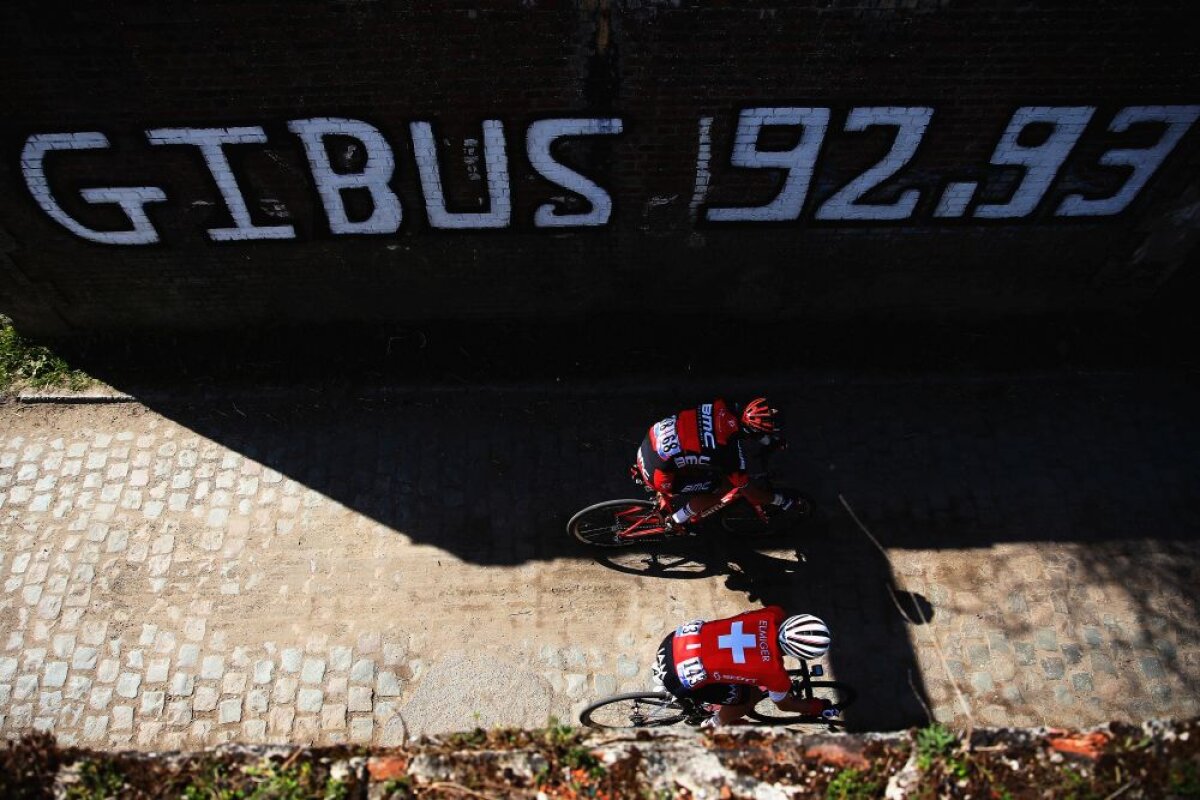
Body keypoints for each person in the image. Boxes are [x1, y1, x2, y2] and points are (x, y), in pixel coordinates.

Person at [652, 606, 832, 728]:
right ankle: (715, 724)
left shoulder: (772, 614)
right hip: (678, 676)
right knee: (748, 699)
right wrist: (815, 707)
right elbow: (784, 705)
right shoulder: (774, 673)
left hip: (674, 641)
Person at [633, 396, 793, 530]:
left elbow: (748, 431)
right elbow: (752, 495)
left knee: (695, 461)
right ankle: (676, 520)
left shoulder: (725, 405)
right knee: (722, 489)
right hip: (658, 474)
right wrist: (781, 500)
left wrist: (770, 442)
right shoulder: (729, 455)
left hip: (651, 441)